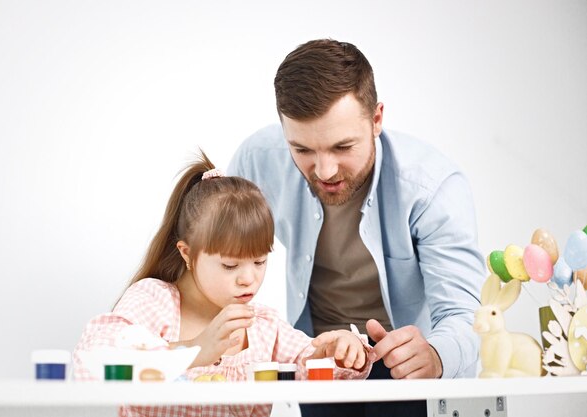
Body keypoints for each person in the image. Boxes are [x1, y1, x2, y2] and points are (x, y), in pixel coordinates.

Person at [227, 39, 486, 416]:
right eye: (302, 150)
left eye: (342, 147)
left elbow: (465, 317)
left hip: (404, 358)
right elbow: (210, 245)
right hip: (319, 354)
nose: (325, 171)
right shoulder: (258, 159)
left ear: (377, 119)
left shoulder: (433, 187)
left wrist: (434, 354)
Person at [73, 151, 373, 417]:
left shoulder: (263, 326)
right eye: (230, 265)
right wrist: (194, 349)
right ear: (187, 255)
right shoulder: (154, 302)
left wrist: (337, 350)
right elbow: (94, 360)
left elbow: (308, 363)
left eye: (259, 262)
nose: (249, 278)